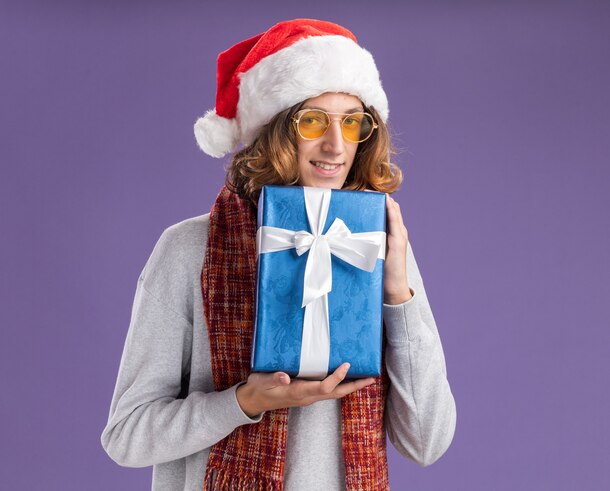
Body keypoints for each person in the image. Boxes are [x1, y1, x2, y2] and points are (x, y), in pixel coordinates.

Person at [101, 18, 456, 491]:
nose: (335, 145)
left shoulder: (376, 246)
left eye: (351, 122)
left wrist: (398, 293)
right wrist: (244, 401)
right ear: (272, 131)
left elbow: (427, 442)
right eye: (312, 120)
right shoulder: (190, 250)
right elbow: (127, 436)